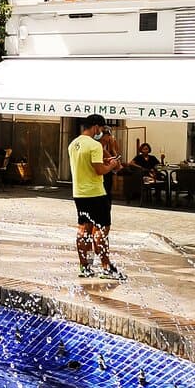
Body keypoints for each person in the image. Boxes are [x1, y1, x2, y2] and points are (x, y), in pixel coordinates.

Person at [68, 113, 125, 281]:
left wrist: (106, 160)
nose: (101, 132)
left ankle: (84, 266)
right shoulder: (94, 145)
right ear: (95, 127)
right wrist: (112, 165)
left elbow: (88, 166)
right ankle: (107, 267)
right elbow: (99, 170)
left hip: (79, 193)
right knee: (101, 230)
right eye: (101, 129)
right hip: (96, 193)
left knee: (83, 229)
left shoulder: (73, 144)